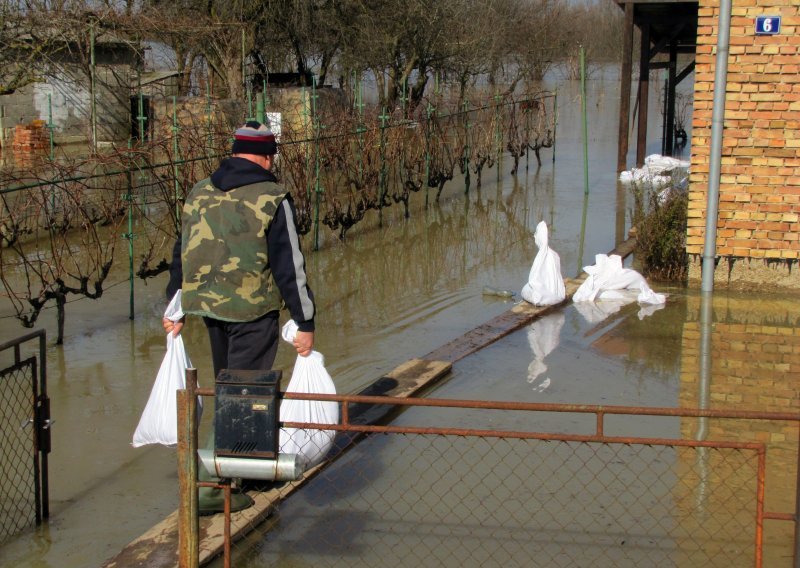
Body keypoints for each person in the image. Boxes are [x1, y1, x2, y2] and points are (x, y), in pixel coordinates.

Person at [163, 120, 316, 513]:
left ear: (233, 152)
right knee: (242, 392)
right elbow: (289, 266)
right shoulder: (272, 196)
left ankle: (237, 470)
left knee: (226, 383)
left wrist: (174, 307)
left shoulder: (199, 190)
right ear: (267, 156)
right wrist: (305, 321)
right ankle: (210, 486)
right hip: (252, 309)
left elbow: (182, 251)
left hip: (207, 308)